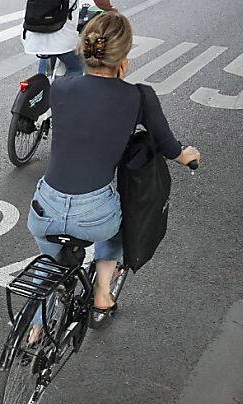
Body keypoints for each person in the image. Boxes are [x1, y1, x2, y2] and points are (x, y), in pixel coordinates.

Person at [26, 11, 201, 338]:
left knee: (49, 259)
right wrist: (186, 155)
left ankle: (34, 325)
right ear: (123, 58)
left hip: (44, 208)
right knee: (120, 226)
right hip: (94, 215)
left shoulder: (61, 88)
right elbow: (168, 146)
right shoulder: (137, 96)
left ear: (85, 49)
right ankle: (103, 293)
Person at [23, 0, 116, 76]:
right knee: (77, 67)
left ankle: (41, 82)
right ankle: (67, 96)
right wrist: (110, 10)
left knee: (46, 53)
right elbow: (101, 2)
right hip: (60, 36)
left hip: (31, 32)